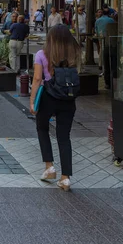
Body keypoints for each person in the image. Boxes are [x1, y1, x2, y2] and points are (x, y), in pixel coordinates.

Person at [29, 24, 80, 191]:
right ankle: (65, 178)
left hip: (48, 97)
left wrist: (32, 101)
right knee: (64, 137)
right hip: (68, 97)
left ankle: (49, 167)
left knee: (42, 128)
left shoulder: (42, 54)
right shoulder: (75, 54)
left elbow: (37, 79)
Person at [95, 8, 116, 88]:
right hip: (111, 41)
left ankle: (101, 64)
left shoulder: (98, 21)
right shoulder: (111, 20)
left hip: (101, 38)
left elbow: (96, 31)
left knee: (102, 51)